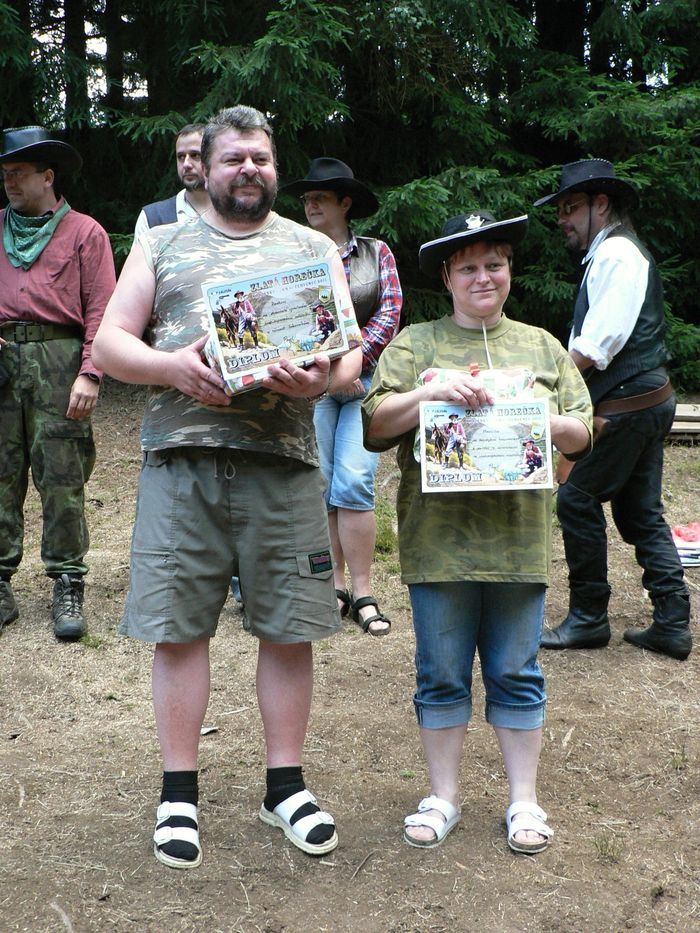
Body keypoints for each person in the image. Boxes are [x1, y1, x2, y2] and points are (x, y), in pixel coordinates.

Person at [92, 105, 362, 869]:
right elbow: (109, 343)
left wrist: (321, 377)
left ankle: (286, 788)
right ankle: (178, 793)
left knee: (289, 628)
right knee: (180, 628)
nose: (250, 169)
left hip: (284, 464)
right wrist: (174, 367)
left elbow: (347, 356)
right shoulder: (163, 240)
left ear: (275, 169)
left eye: (262, 159)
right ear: (204, 169)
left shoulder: (311, 247)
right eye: (235, 158)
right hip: (184, 464)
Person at [362, 211, 592, 853]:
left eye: (495, 264)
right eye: (468, 268)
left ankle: (524, 801)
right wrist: (432, 395)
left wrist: (539, 417)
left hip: (518, 541)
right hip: (438, 542)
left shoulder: (542, 347)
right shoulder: (416, 345)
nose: (483, 277)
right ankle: (444, 797)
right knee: (440, 672)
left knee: (517, 670)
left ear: (510, 270)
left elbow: (583, 430)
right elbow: (375, 424)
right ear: (447, 277)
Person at [534, 159, 692, 660]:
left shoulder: (617, 253)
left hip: (628, 403)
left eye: (570, 208)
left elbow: (598, 342)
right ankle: (672, 621)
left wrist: (546, 386)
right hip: (645, 399)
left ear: (600, 204)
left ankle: (588, 617)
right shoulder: (610, 253)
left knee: (576, 498)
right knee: (639, 510)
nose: (563, 218)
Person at [0, 126, 116, 640]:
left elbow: (102, 311)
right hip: (2, 362)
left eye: (18, 173)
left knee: (63, 475)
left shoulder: (85, 233)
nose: (9, 181)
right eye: (5, 173)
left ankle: (68, 580)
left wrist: (90, 372)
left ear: (48, 176)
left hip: (59, 361)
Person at [280, 158, 402, 635]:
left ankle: (364, 591)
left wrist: (352, 364)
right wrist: (328, 374)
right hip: (312, 388)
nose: (310, 204)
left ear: (345, 203)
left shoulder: (377, 252)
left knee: (354, 482)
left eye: (320, 198)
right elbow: (287, 323)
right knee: (323, 482)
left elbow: (389, 314)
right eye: (306, 198)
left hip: (367, 384)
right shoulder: (294, 257)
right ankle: (333, 587)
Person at [133, 124, 210, 239]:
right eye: (181, 157)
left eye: (195, 155)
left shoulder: (233, 212)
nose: (186, 164)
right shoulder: (153, 218)